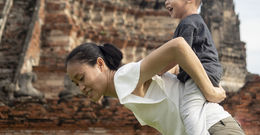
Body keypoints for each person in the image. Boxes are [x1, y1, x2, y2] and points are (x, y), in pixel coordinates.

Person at [66, 37, 245, 135]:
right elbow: (174, 64)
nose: (81, 87)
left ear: (99, 64)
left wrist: (210, 90)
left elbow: (178, 46)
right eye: (75, 84)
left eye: (81, 78)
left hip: (214, 128)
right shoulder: (125, 84)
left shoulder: (122, 78)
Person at [162, 0, 233, 134]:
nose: (166, 2)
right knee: (197, 109)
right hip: (207, 72)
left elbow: (179, 54)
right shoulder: (194, 21)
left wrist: (158, 70)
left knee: (189, 111)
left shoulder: (188, 23)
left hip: (202, 73)